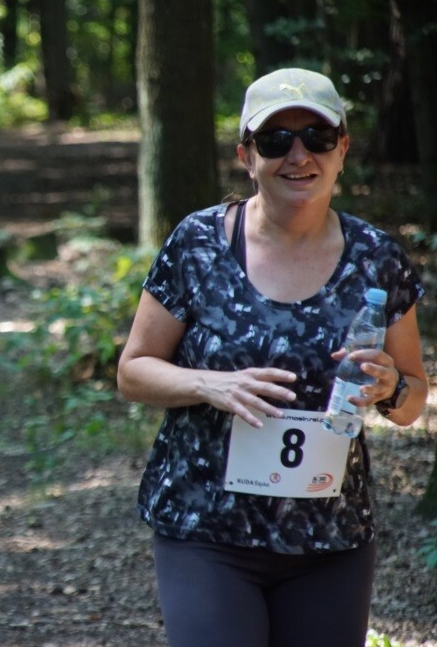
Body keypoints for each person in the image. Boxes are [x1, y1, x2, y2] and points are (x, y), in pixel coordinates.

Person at [116, 67, 427, 647]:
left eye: (317, 136)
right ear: (246, 154)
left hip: (329, 538)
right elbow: (133, 371)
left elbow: (412, 398)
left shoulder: (377, 258)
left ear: (342, 149)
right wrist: (210, 385)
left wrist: (391, 389)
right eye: (276, 140)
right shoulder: (199, 242)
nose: (298, 155)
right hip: (206, 527)